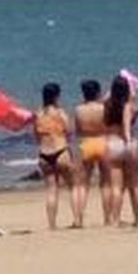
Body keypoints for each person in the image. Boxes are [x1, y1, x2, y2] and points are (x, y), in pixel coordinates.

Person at [32, 82, 81, 230]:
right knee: (73, 187)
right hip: (60, 151)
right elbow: (70, 132)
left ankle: (52, 224)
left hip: (44, 154)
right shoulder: (61, 113)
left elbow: (35, 136)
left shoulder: (38, 115)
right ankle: (77, 220)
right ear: (56, 96)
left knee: (51, 190)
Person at [103, 73, 138, 228]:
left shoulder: (108, 103)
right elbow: (127, 125)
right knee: (135, 184)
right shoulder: (128, 104)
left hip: (112, 144)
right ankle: (137, 218)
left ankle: (115, 219)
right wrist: (128, 140)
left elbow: (107, 97)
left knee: (116, 186)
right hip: (128, 143)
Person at [73, 79, 110, 226]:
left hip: (86, 143)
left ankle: (78, 219)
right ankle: (107, 218)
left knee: (81, 184)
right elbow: (109, 127)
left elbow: (77, 131)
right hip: (102, 142)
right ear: (98, 92)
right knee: (106, 183)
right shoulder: (104, 108)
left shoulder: (78, 109)